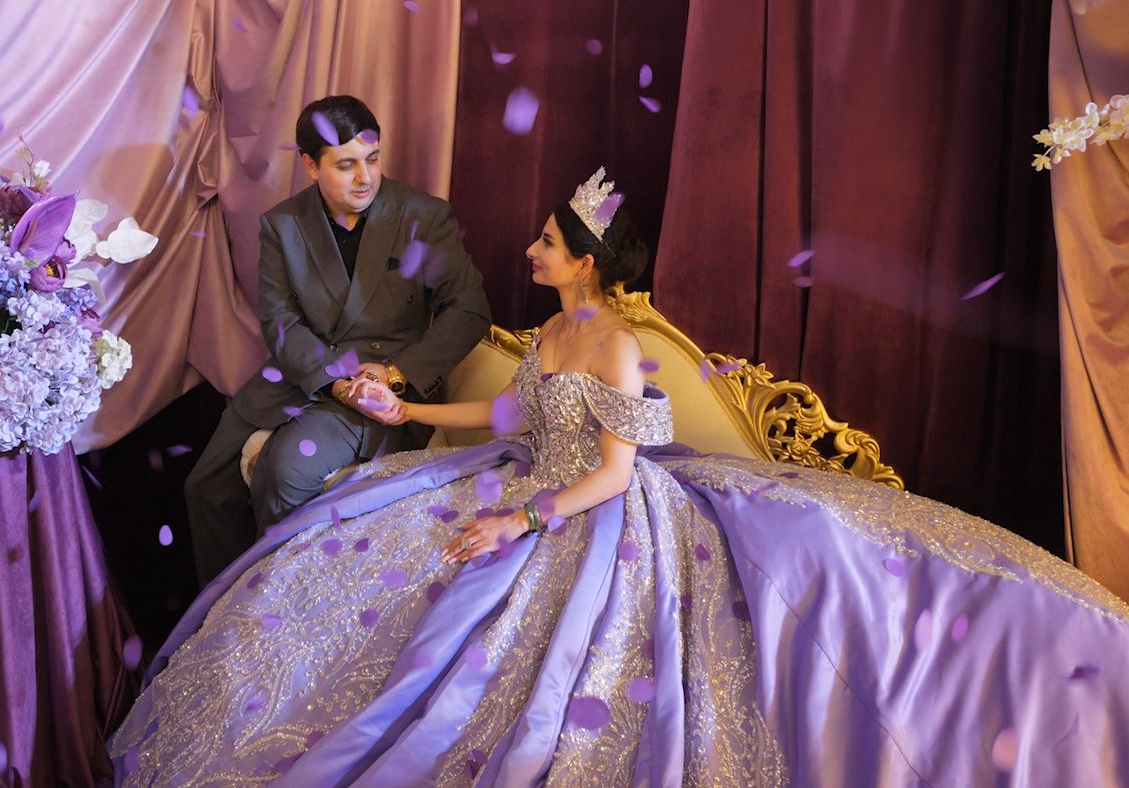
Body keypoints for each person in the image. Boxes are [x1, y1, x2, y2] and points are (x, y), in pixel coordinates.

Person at [118, 168, 1129, 786]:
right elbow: (512, 416)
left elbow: (615, 470)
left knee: (509, 648)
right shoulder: (552, 330)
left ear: (585, 261)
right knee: (340, 556)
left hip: (591, 510)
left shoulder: (616, 348)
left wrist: (521, 521)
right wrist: (410, 414)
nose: (530, 249)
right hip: (517, 476)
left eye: (547, 242)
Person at [183, 96, 491, 586]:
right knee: (204, 488)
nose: (365, 177)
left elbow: (470, 310)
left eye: (373, 159)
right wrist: (336, 382)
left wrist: (395, 374)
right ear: (310, 165)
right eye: (346, 165)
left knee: (285, 472)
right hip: (300, 375)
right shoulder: (282, 225)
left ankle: (280, 604)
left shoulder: (424, 217)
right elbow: (280, 322)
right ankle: (222, 609)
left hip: (384, 389)